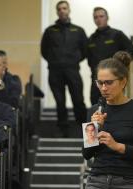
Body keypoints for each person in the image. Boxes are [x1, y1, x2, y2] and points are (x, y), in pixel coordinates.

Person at [82, 51, 133, 189]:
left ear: (123, 82)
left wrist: (117, 146)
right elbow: (87, 155)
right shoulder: (94, 110)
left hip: (128, 183)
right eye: (100, 83)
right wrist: (94, 128)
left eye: (108, 82)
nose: (104, 88)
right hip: (96, 181)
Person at [41, 1, 88, 136]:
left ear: (69, 10)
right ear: (57, 12)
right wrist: (54, 61)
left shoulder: (78, 31)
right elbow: (44, 50)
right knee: (60, 102)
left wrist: (74, 60)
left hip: (72, 70)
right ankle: (64, 131)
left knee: (78, 100)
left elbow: (85, 50)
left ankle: (84, 130)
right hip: (55, 71)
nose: (62, 11)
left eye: (64, 8)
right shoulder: (50, 31)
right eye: (59, 9)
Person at [87, 7, 133, 105]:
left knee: (115, 106)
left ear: (107, 17)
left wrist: (120, 64)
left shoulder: (117, 35)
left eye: (101, 16)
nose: (98, 19)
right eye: (96, 17)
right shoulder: (91, 39)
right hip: (96, 80)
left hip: (114, 79)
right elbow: (89, 59)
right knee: (95, 105)